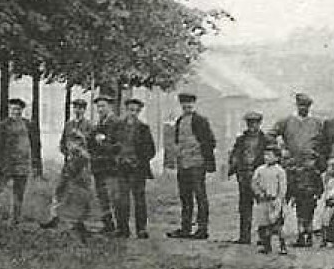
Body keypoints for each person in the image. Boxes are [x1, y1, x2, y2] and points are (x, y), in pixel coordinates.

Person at [272, 92, 325, 247]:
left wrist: (317, 157)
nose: (304, 109)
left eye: (306, 106)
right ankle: (281, 233)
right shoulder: (286, 122)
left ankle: (306, 233)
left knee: (308, 201)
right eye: (301, 106)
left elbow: (324, 143)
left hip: (310, 169)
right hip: (292, 168)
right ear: (296, 106)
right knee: (289, 199)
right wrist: (280, 151)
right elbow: (270, 135)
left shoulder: (316, 123)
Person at [166, 91, 217, 240]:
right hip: (183, 164)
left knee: (200, 195)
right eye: (184, 104)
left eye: (189, 104)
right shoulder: (180, 120)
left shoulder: (201, 121)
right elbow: (176, 142)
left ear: (194, 105)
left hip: (197, 163)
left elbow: (210, 141)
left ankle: (202, 229)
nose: (187, 107)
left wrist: (200, 153)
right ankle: (185, 228)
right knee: (185, 196)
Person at [41, 98, 91, 229]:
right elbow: (63, 142)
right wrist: (66, 153)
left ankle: (79, 221)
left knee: (81, 192)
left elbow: (91, 145)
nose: (77, 110)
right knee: (60, 189)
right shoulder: (69, 125)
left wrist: (82, 141)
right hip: (69, 162)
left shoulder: (89, 125)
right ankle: (55, 217)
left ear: (84, 110)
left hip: (83, 164)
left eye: (80, 108)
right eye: (75, 107)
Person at [111, 96, 156, 239]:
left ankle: (141, 229)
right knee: (121, 199)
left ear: (139, 112)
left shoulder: (144, 128)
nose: (133, 113)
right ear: (126, 110)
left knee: (139, 199)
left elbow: (151, 150)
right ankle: (122, 228)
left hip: (137, 169)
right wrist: (117, 157)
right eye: (131, 110)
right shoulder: (118, 127)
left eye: (136, 111)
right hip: (121, 167)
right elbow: (111, 145)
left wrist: (139, 160)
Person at [226, 110, 272, 245]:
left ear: (259, 124)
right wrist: (234, 168)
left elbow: (273, 156)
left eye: (255, 123)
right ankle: (244, 236)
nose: (252, 126)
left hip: (261, 179)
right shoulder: (241, 140)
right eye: (250, 123)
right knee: (245, 207)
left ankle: (264, 238)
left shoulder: (266, 140)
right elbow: (234, 155)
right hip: (244, 177)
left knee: (263, 208)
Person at [50, 129, 97, 243]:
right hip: (80, 185)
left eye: (73, 143)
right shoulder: (77, 155)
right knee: (74, 209)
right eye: (69, 143)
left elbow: (72, 172)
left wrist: (65, 179)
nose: (70, 145)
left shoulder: (79, 156)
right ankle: (76, 231)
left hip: (78, 186)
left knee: (72, 209)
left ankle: (75, 236)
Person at [87, 95, 121, 234]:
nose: (100, 109)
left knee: (114, 195)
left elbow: (119, 145)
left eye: (103, 106)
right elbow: (91, 143)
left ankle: (120, 226)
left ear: (110, 107)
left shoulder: (116, 123)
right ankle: (108, 224)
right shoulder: (97, 124)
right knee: (102, 196)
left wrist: (105, 142)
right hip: (98, 165)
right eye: (98, 107)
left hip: (111, 165)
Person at [251, 144, 289, 255]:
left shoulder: (280, 171)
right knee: (263, 224)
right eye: (265, 155)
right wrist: (259, 193)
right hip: (263, 201)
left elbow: (283, 187)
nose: (266, 157)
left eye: (269, 155)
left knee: (277, 225)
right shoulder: (260, 170)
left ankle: (283, 246)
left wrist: (279, 199)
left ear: (277, 158)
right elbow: (254, 183)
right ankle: (266, 246)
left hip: (275, 201)